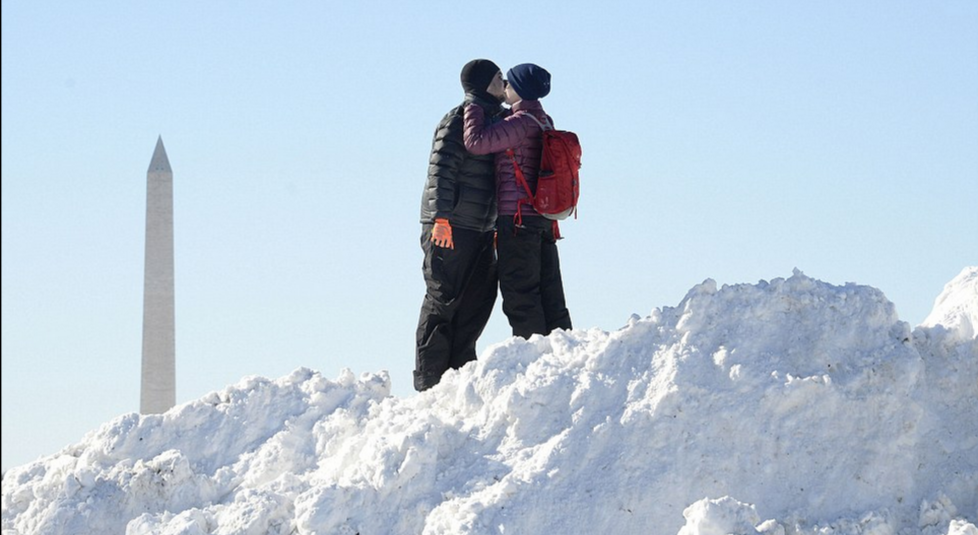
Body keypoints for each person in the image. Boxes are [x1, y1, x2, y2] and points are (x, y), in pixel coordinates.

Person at [415, 59, 507, 392]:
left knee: (480, 296)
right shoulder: (458, 119)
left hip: (481, 228)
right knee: (443, 299)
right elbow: (440, 170)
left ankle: (460, 371)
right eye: (499, 77)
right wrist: (440, 218)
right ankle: (429, 380)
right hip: (449, 224)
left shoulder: (494, 120)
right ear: (484, 83)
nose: (505, 80)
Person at [463, 63, 572, 339]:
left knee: (520, 292)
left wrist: (473, 105)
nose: (505, 87)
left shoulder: (520, 123)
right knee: (550, 290)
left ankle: (532, 359)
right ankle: (563, 350)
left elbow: (476, 142)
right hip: (544, 220)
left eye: (509, 83)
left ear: (520, 89)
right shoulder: (544, 120)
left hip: (518, 219)